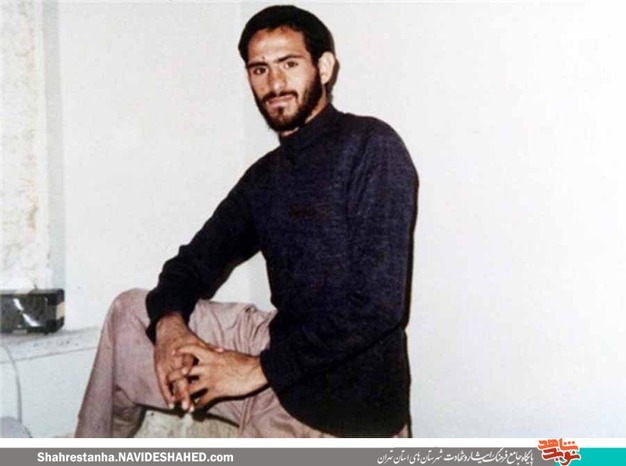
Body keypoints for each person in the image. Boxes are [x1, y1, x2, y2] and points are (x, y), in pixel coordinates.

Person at [75, 4, 418, 438]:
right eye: (259, 69)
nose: (274, 84)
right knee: (130, 313)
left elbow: (378, 307)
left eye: (289, 64)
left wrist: (255, 370)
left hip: (345, 401)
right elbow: (192, 264)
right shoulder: (266, 177)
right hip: (278, 346)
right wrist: (169, 328)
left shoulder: (371, 147)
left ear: (324, 67)